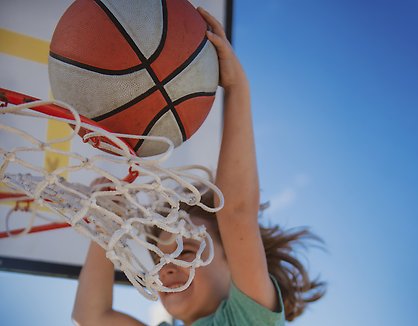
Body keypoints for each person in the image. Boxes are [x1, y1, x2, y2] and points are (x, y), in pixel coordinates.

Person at [72, 7, 325, 326]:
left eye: (188, 250)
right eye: (160, 257)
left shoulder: (246, 319)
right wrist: (106, 227)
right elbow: (91, 315)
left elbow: (234, 214)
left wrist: (237, 88)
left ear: (234, 261)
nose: (166, 266)